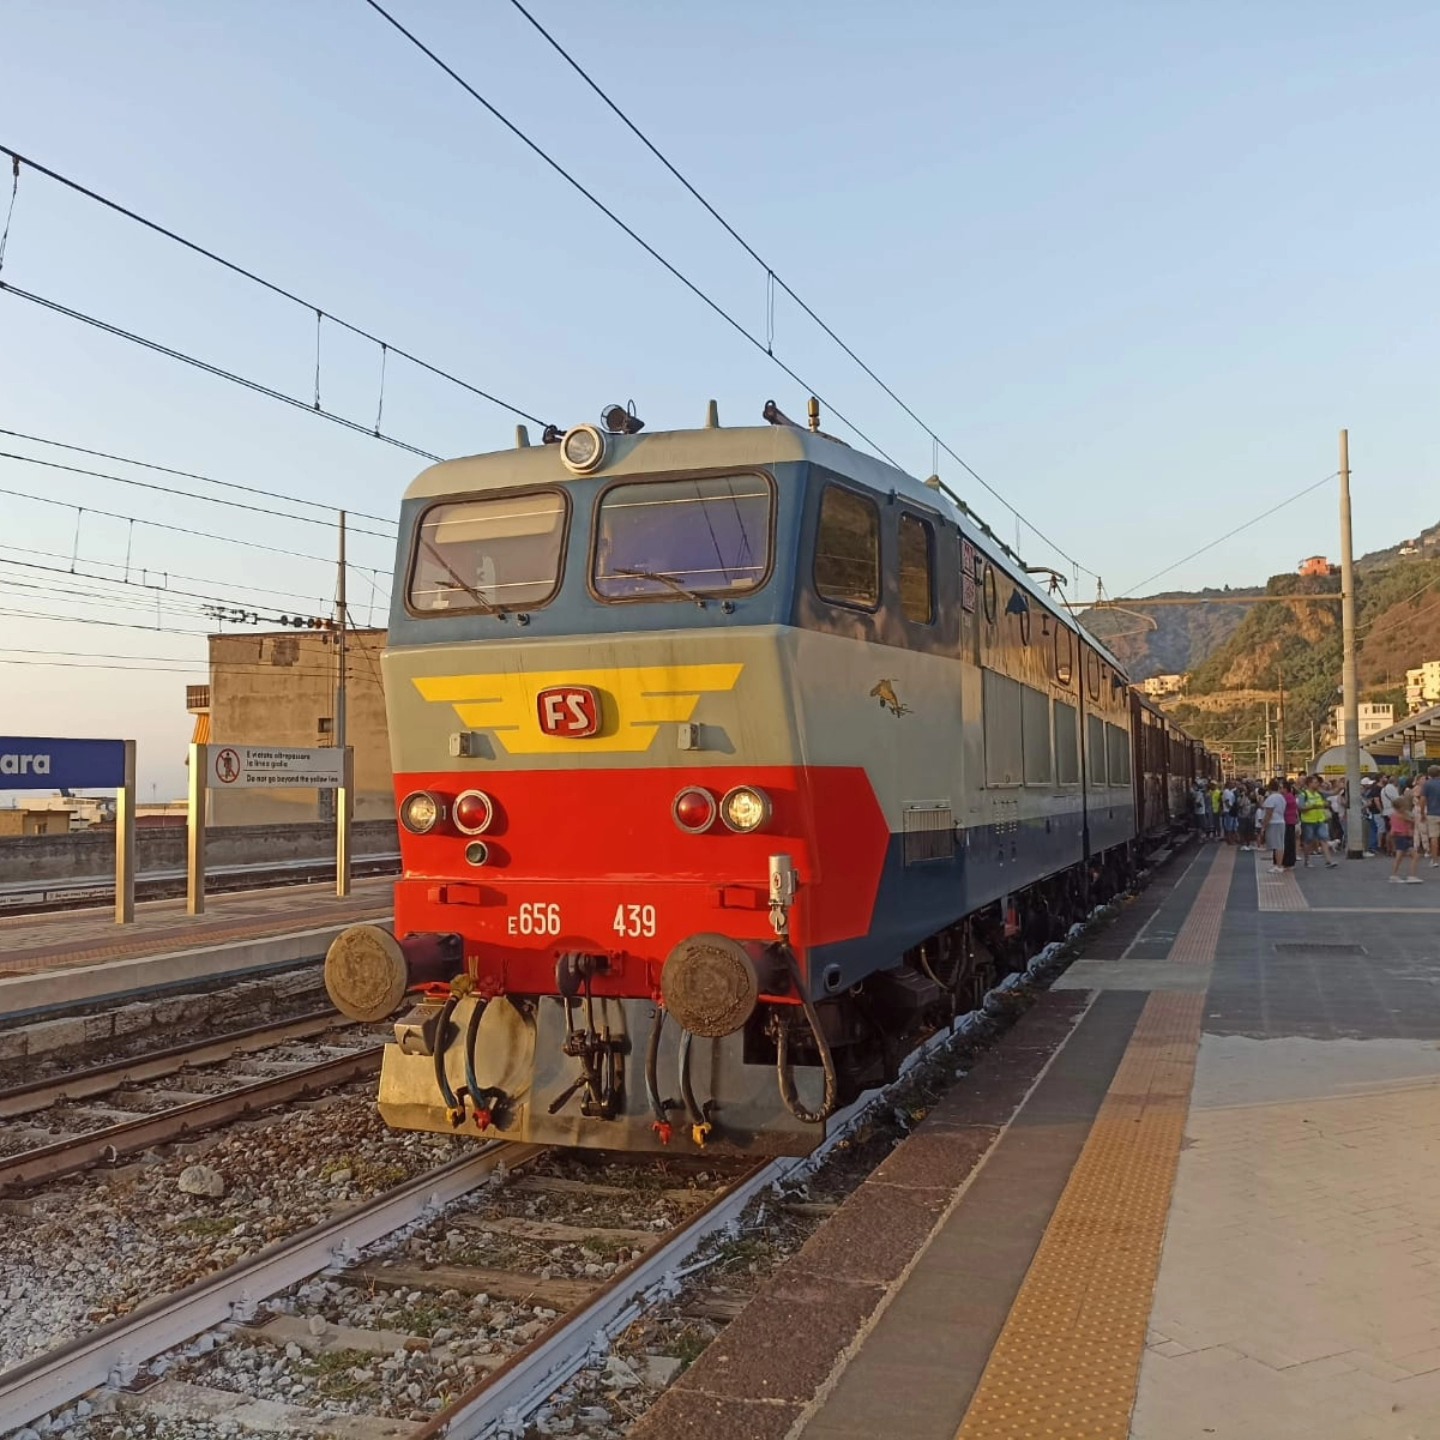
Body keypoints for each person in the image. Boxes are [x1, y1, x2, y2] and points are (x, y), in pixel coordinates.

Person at [1299, 777, 1337, 868]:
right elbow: (1301, 807)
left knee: (1324, 839)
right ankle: (1307, 860)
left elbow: (1326, 800)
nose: (1317, 784)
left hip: (1320, 820)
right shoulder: (1303, 794)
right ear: (1309, 784)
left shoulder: (1319, 794)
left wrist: (1326, 804)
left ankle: (1329, 860)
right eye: (1315, 782)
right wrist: (1313, 807)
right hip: (1308, 821)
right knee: (1308, 841)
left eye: (1317, 782)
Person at [1389, 793, 1423, 884]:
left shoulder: (1393, 815)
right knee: (1415, 856)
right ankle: (1412, 875)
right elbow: (1413, 820)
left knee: (1399, 857)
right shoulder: (1402, 815)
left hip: (1399, 837)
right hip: (1405, 837)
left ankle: (1394, 875)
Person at [1261, 779, 1287, 874]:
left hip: (1274, 823)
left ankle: (1278, 865)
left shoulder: (1271, 798)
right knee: (1279, 844)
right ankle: (1278, 864)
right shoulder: (1281, 797)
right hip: (1281, 821)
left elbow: (1268, 813)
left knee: (1277, 845)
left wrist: (1263, 825)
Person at [1421, 765, 1440, 868]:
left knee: (1434, 837)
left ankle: (1434, 860)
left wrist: (1422, 813)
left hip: (1432, 813)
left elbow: (1423, 800)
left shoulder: (1427, 785)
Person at [1282, 780, 1300, 868]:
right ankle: (1289, 860)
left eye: (1281, 788)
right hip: (1291, 821)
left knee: (1288, 842)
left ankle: (1288, 861)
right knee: (1290, 841)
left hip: (1288, 821)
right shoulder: (1291, 796)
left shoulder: (1287, 797)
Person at [1220, 781, 1238, 846]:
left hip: (1231, 811)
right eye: (1232, 783)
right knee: (1229, 826)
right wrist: (1231, 808)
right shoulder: (1226, 792)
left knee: (1232, 826)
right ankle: (1229, 840)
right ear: (1228, 785)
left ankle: (1232, 839)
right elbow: (1227, 802)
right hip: (1228, 811)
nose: (1233, 784)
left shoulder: (1231, 792)